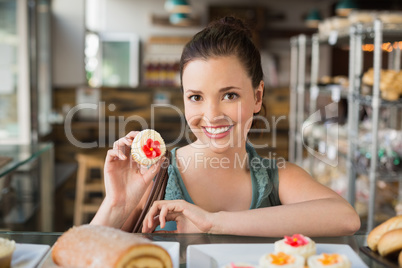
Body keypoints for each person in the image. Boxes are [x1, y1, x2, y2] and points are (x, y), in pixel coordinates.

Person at [91, 16, 361, 237]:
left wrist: (213, 222)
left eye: (229, 95)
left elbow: (347, 219)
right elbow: (80, 258)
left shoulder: (278, 177)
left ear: (257, 96)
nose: (211, 115)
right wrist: (117, 203)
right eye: (196, 97)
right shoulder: (153, 177)